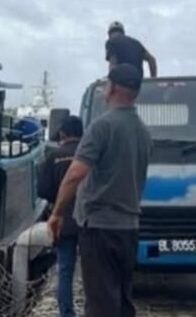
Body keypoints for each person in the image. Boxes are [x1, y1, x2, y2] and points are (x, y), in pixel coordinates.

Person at [47, 64, 152, 317]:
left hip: (99, 227)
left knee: (100, 304)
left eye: (106, 83)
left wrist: (57, 213)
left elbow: (75, 173)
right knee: (122, 301)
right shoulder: (143, 132)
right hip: (129, 227)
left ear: (112, 88)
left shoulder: (102, 126)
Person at [37, 116, 84, 317]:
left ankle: (66, 313)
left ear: (63, 133)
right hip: (89, 220)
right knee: (94, 270)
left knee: (65, 270)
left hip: (63, 219)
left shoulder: (53, 156)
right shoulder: (89, 154)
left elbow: (43, 190)